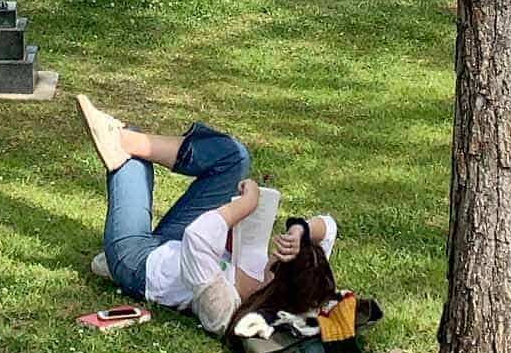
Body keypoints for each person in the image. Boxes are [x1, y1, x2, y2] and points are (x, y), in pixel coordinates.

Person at [75, 94, 335, 333]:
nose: (272, 253)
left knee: (130, 160)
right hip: (171, 245)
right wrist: (301, 231)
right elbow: (329, 227)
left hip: (137, 260)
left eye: (278, 258)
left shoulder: (224, 308)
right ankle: (128, 140)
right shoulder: (299, 286)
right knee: (234, 158)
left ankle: (123, 140)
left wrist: (245, 205)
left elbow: (197, 239)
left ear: (276, 277)